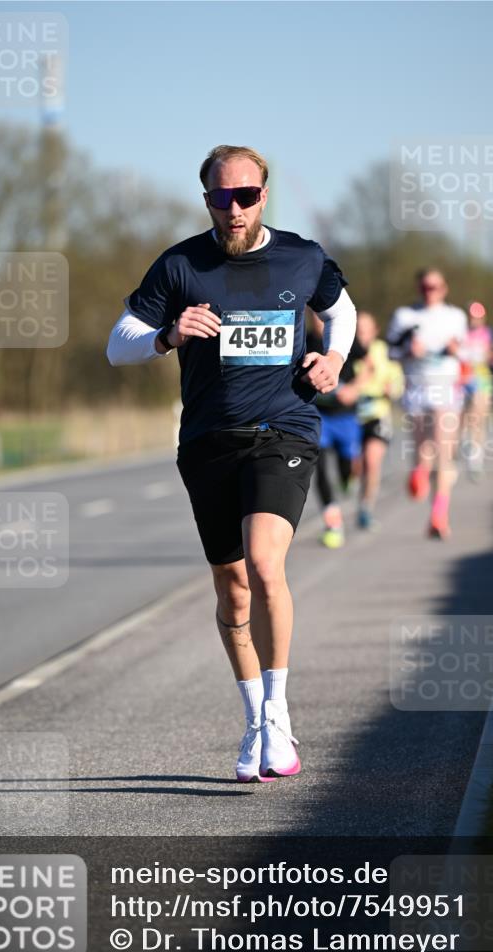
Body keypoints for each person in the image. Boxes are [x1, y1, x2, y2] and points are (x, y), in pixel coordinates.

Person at [107, 145, 356, 782]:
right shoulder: (180, 265)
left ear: (264, 195)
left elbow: (340, 311)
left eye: (246, 196)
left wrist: (334, 359)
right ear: (208, 200)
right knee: (233, 585)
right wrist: (167, 335)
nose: (235, 208)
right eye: (222, 198)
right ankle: (253, 718)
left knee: (265, 562)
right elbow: (118, 343)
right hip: (208, 441)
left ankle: (277, 714)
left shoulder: (302, 256)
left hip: (284, 427)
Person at [386, 268, 467, 539]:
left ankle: (439, 514)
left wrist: (458, 352)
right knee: (424, 449)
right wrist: (409, 351)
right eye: (425, 287)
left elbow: (468, 351)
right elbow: (390, 350)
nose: (430, 291)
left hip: (446, 388)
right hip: (417, 389)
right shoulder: (405, 316)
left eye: (435, 287)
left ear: (444, 289)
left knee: (443, 449)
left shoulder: (456, 317)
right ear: (419, 288)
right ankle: (419, 472)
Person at [306, 312, 364, 548]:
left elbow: (368, 366)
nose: (319, 320)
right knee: (319, 469)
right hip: (317, 415)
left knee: (346, 468)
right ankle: (333, 522)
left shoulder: (345, 338)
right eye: (314, 315)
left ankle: (349, 478)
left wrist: (354, 389)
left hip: (345, 415)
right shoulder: (304, 339)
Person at [349, 312, 404, 530]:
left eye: (365, 330)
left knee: (372, 461)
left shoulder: (384, 351)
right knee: (356, 466)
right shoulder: (346, 349)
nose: (361, 334)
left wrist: (394, 389)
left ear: (375, 331)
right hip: (351, 414)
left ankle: (366, 507)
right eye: (358, 330)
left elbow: (397, 379)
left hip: (378, 412)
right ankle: (352, 483)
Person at [459, 301, 493, 480]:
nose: (474, 320)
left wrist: (489, 356)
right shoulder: (460, 332)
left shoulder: (488, 334)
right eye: (472, 316)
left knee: (479, 417)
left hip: (482, 379)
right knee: (464, 418)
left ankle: (476, 458)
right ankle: (466, 442)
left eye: (478, 316)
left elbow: (492, 356)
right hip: (463, 379)